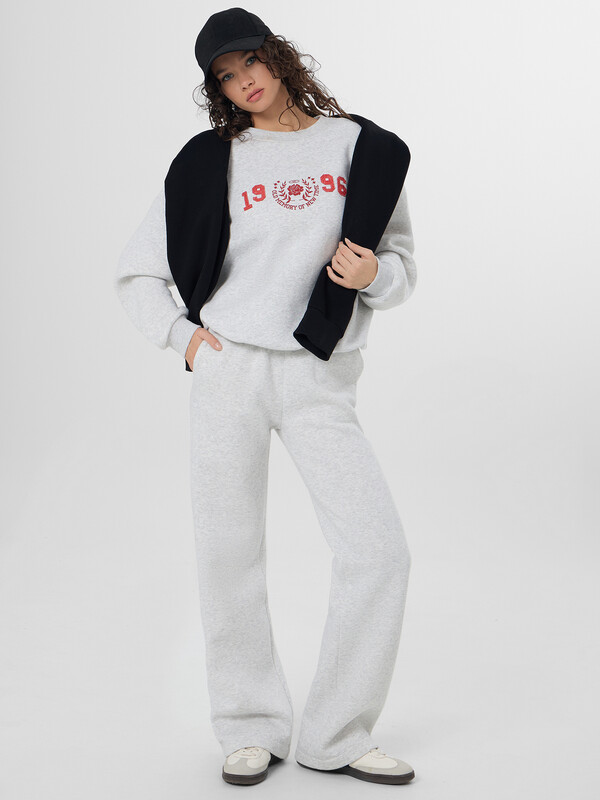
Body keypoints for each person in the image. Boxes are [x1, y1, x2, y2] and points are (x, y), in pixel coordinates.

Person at [114, 6, 417, 787]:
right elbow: (139, 271)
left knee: (378, 551)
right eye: (224, 75)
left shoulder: (360, 147)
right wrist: (185, 340)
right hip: (231, 370)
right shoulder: (209, 161)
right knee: (229, 553)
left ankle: (336, 734)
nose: (243, 80)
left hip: (318, 373)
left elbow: (399, 263)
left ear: (278, 57)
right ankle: (249, 725)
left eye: (250, 60)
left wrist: (373, 277)